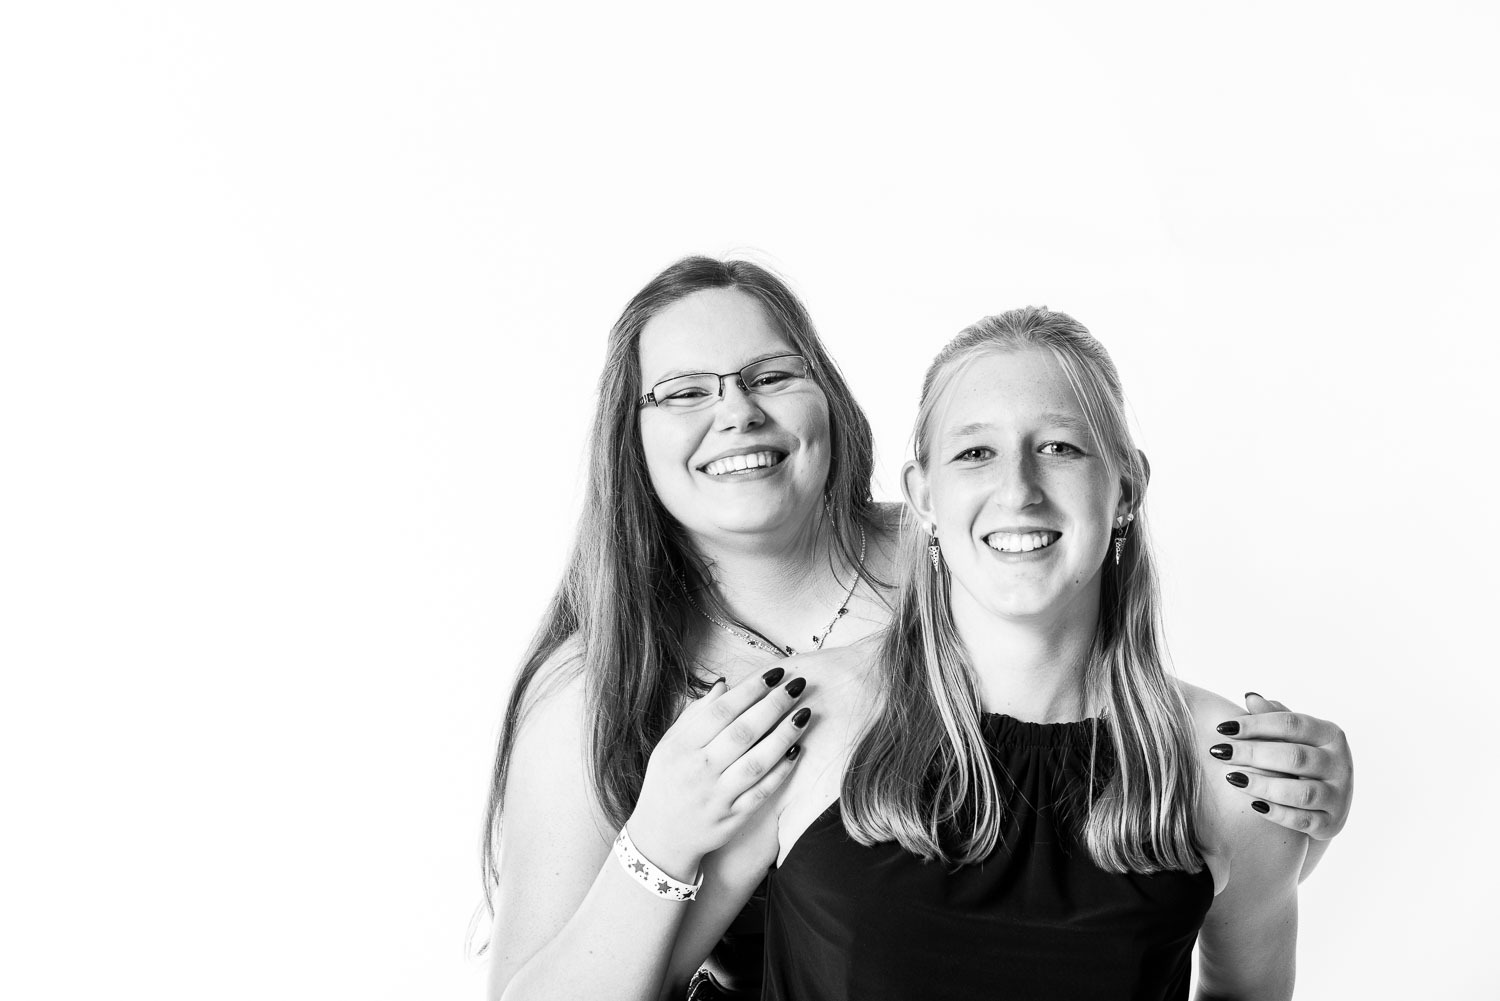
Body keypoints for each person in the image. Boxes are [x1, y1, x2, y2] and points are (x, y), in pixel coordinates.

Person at [480, 261, 1354, 1000]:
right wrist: (660, 837)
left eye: (771, 375)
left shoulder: (982, 558)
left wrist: (1292, 816)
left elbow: (1184, 877)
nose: (737, 411)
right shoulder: (609, 687)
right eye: (682, 392)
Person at [673, 306, 1322, 1000]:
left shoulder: (1234, 771)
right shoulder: (794, 723)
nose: (1018, 489)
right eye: (975, 453)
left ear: (1126, 487)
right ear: (924, 496)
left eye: (1060, 448)